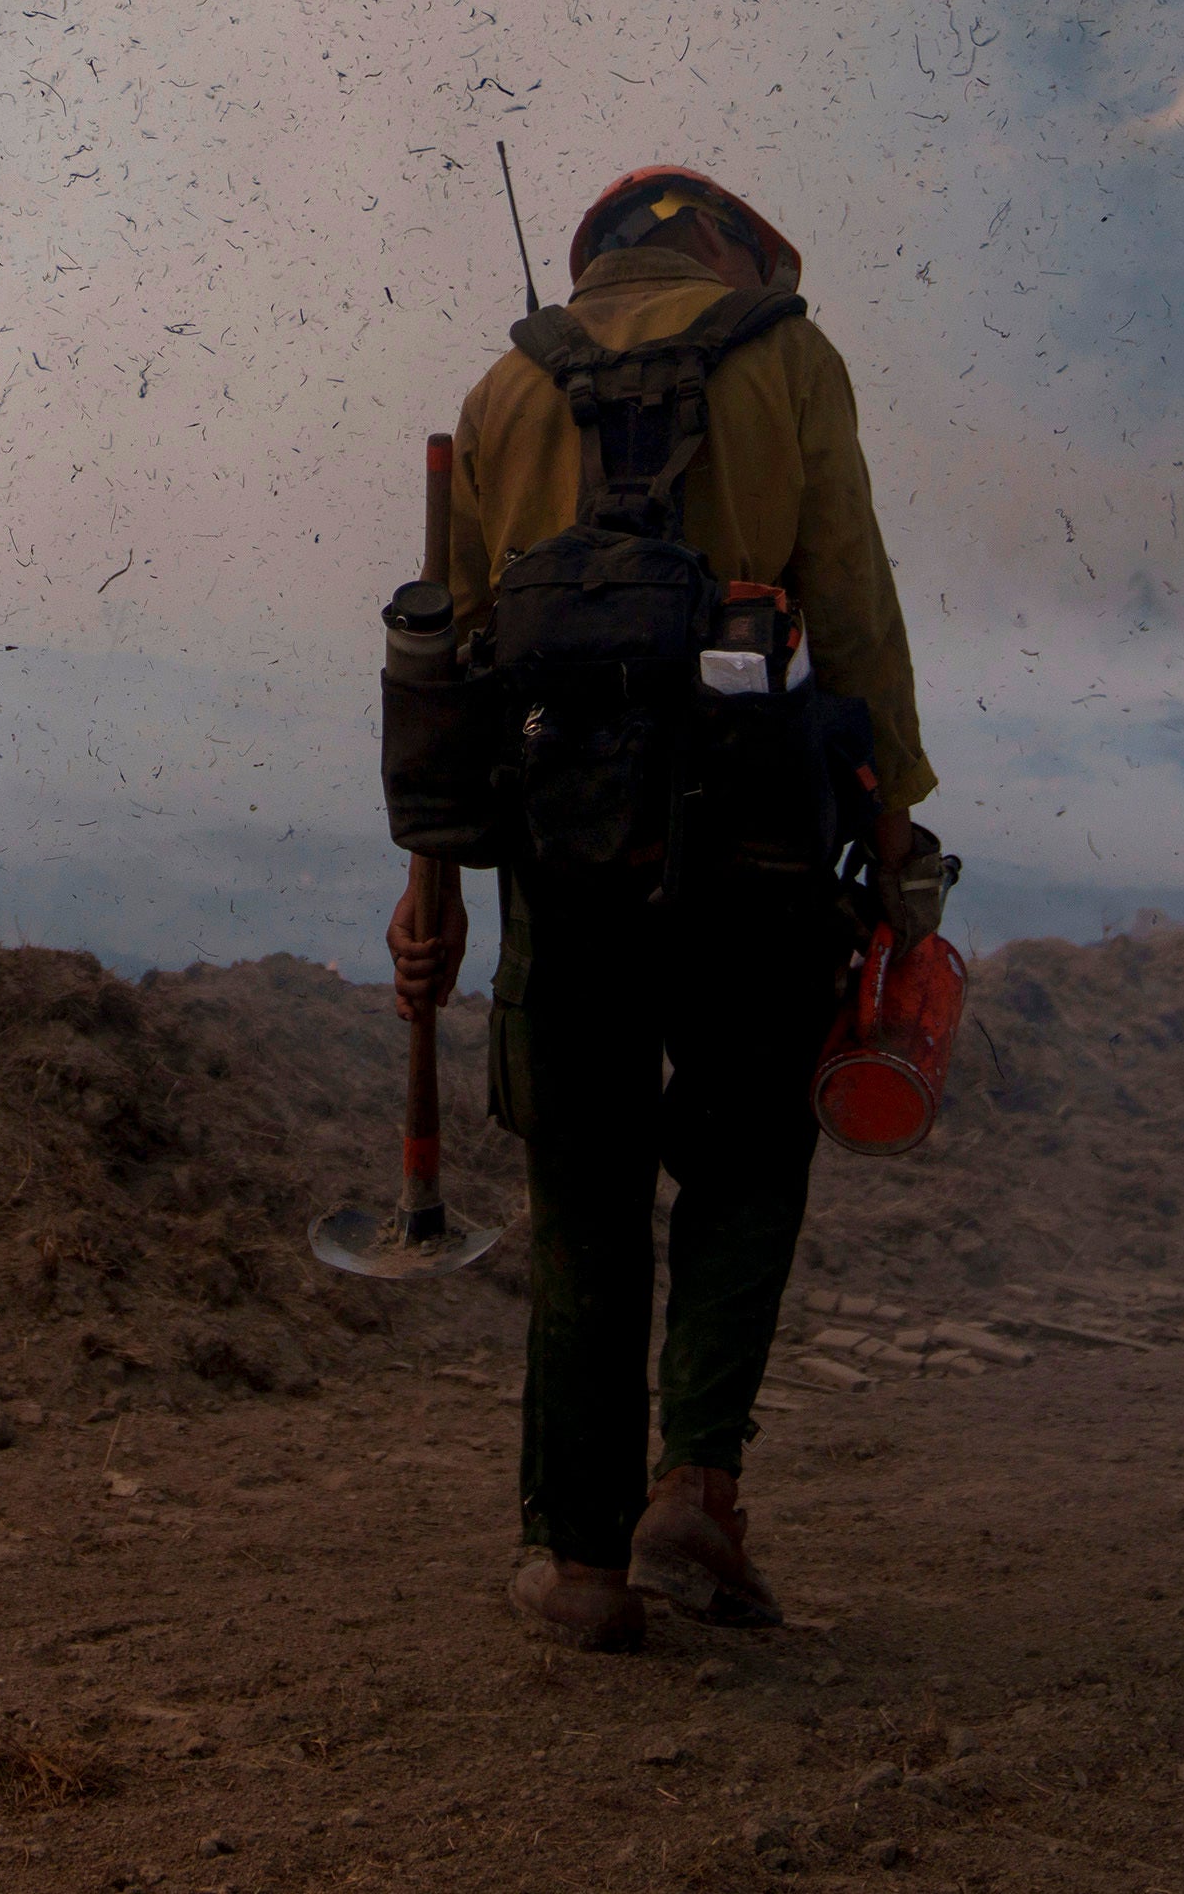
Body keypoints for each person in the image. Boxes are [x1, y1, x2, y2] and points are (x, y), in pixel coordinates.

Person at [384, 163, 937, 1652]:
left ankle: (575, 1559)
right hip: (759, 841)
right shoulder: (792, 356)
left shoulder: (507, 388)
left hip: (569, 852)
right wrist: (896, 820)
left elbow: (453, 665)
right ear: (724, 247)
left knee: (585, 1193)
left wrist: (426, 882)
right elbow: (855, 594)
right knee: (749, 1157)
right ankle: (698, 1488)